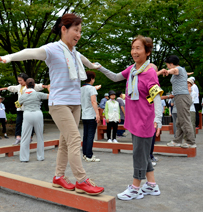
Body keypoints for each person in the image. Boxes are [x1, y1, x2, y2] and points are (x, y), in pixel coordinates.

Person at [0, 13, 104, 195]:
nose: (79, 34)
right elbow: (28, 52)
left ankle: (58, 177)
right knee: (74, 140)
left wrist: (94, 66)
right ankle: (81, 180)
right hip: (59, 103)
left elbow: (84, 60)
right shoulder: (52, 49)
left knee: (65, 142)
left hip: (75, 103)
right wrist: (6, 58)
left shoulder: (74, 53)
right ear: (64, 29)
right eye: (76, 30)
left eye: (80, 31)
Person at [97, 35, 162, 200]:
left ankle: (135, 188)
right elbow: (115, 77)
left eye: (138, 48)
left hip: (145, 120)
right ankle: (152, 185)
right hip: (133, 119)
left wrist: (158, 119)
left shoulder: (150, 73)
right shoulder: (132, 70)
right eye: (133, 48)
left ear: (147, 52)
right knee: (143, 153)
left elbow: (157, 98)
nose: (134, 51)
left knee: (139, 154)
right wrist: (100, 68)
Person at [0, 73, 47, 145]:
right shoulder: (19, 87)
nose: (19, 82)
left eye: (21, 80)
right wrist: (4, 88)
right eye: (18, 80)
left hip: (28, 109)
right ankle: (18, 137)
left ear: (25, 80)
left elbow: (39, 86)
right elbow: (12, 88)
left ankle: (30, 137)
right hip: (20, 109)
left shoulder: (31, 86)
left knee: (30, 123)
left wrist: (46, 86)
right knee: (18, 122)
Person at [161, 55, 196, 148]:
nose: (167, 67)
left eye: (168, 65)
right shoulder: (182, 70)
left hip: (182, 97)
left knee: (184, 120)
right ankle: (177, 141)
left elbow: (174, 70)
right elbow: (181, 73)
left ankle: (191, 142)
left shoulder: (178, 69)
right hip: (180, 97)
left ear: (171, 64)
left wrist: (168, 71)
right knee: (179, 121)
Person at [18, 78, 49, 162]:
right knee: (40, 136)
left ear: (26, 85)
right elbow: (50, 96)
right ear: (34, 85)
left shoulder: (23, 95)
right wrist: (49, 89)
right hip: (38, 113)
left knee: (25, 136)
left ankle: (24, 158)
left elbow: (18, 105)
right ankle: (40, 157)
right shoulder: (38, 94)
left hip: (27, 114)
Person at [81, 71, 100, 162]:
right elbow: (93, 101)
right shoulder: (92, 89)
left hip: (84, 115)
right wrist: (97, 114)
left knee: (85, 135)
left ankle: (85, 154)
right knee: (90, 136)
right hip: (91, 115)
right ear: (91, 79)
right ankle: (89, 156)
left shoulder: (81, 88)